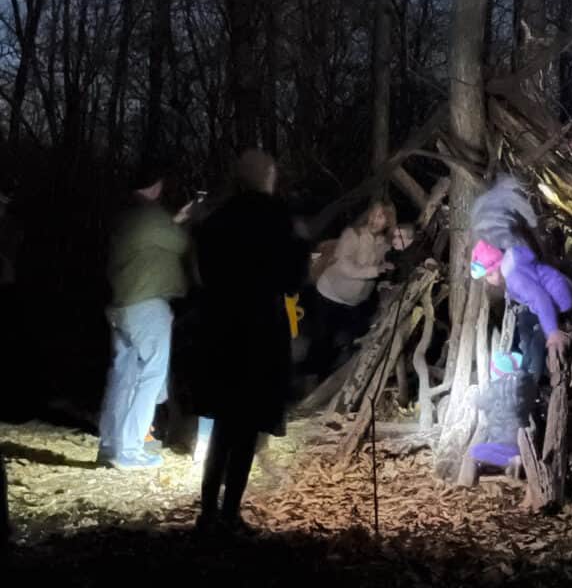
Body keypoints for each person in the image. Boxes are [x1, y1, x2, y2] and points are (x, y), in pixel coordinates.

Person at [194, 149, 308, 532]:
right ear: (267, 176)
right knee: (245, 425)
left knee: (226, 420)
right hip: (258, 327)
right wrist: (301, 247)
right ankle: (228, 512)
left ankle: (209, 510)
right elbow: (292, 278)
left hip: (221, 325)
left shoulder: (218, 218)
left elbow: (204, 272)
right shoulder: (276, 219)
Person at [97, 165, 189, 470]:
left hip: (120, 305)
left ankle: (111, 444)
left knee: (122, 376)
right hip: (147, 305)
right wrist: (186, 221)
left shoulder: (124, 215)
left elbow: (151, 241)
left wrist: (173, 221)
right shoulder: (152, 215)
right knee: (151, 377)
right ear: (156, 186)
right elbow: (181, 244)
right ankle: (132, 450)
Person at [470, 176, 572, 381]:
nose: (489, 281)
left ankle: (530, 379)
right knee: (525, 325)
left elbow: (540, 298)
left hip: (559, 301)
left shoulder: (514, 277)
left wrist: (553, 332)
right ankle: (520, 361)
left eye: (489, 275)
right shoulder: (511, 262)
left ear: (495, 268)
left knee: (536, 342)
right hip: (547, 299)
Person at [309, 200, 399, 380]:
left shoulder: (385, 243)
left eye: (380, 216)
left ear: (388, 221)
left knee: (354, 337)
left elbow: (381, 266)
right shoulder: (352, 234)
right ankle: (315, 379)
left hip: (355, 301)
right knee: (323, 339)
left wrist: (382, 278)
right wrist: (375, 271)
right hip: (329, 293)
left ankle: (336, 376)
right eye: (373, 214)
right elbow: (344, 266)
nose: (374, 219)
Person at [465, 350, 536, 482]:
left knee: (476, 452)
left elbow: (480, 402)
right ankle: (516, 461)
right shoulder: (523, 387)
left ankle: (508, 462)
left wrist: (473, 396)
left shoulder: (493, 389)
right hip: (521, 445)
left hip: (501, 444)